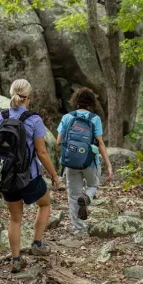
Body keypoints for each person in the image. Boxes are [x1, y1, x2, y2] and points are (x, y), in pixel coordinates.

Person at [0, 79, 61, 273]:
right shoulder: (33, 119)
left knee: (15, 218)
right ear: (28, 98)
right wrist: (54, 174)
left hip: (7, 177)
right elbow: (42, 152)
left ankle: (15, 259)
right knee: (45, 203)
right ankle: (37, 244)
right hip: (29, 176)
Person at [57, 87, 113, 234]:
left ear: (75, 101)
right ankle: (86, 196)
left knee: (73, 194)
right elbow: (100, 143)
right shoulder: (95, 119)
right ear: (91, 102)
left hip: (70, 162)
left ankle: (78, 229)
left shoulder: (67, 118)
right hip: (90, 161)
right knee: (94, 184)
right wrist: (109, 165)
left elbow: (58, 141)